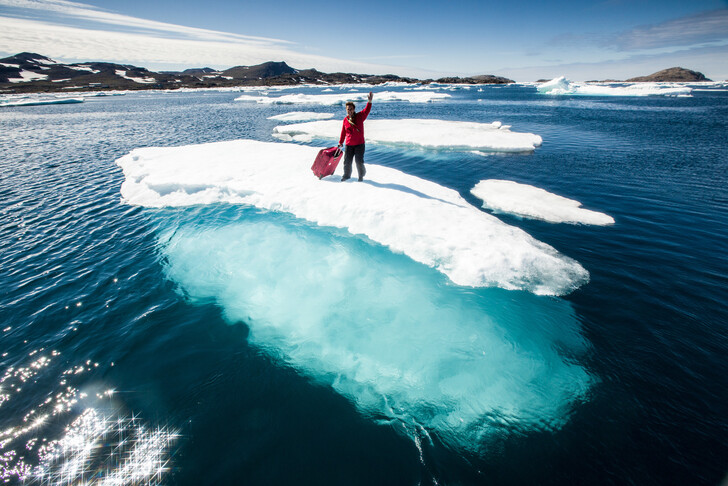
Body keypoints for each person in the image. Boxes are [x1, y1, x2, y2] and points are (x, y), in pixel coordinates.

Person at [338, 91, 373, 181]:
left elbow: (366, 110)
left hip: (359, 144)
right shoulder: (345, 120)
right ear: (346, 110)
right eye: (348, 109)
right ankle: (346, 175)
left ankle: (361, 176)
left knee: (359, 162)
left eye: (351, 109)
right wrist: (341, 142)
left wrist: (369, 102)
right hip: (349, 145)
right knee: (347, 162)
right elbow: (343, 132)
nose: (350, 111)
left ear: (354, 109)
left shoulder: (360, 116)